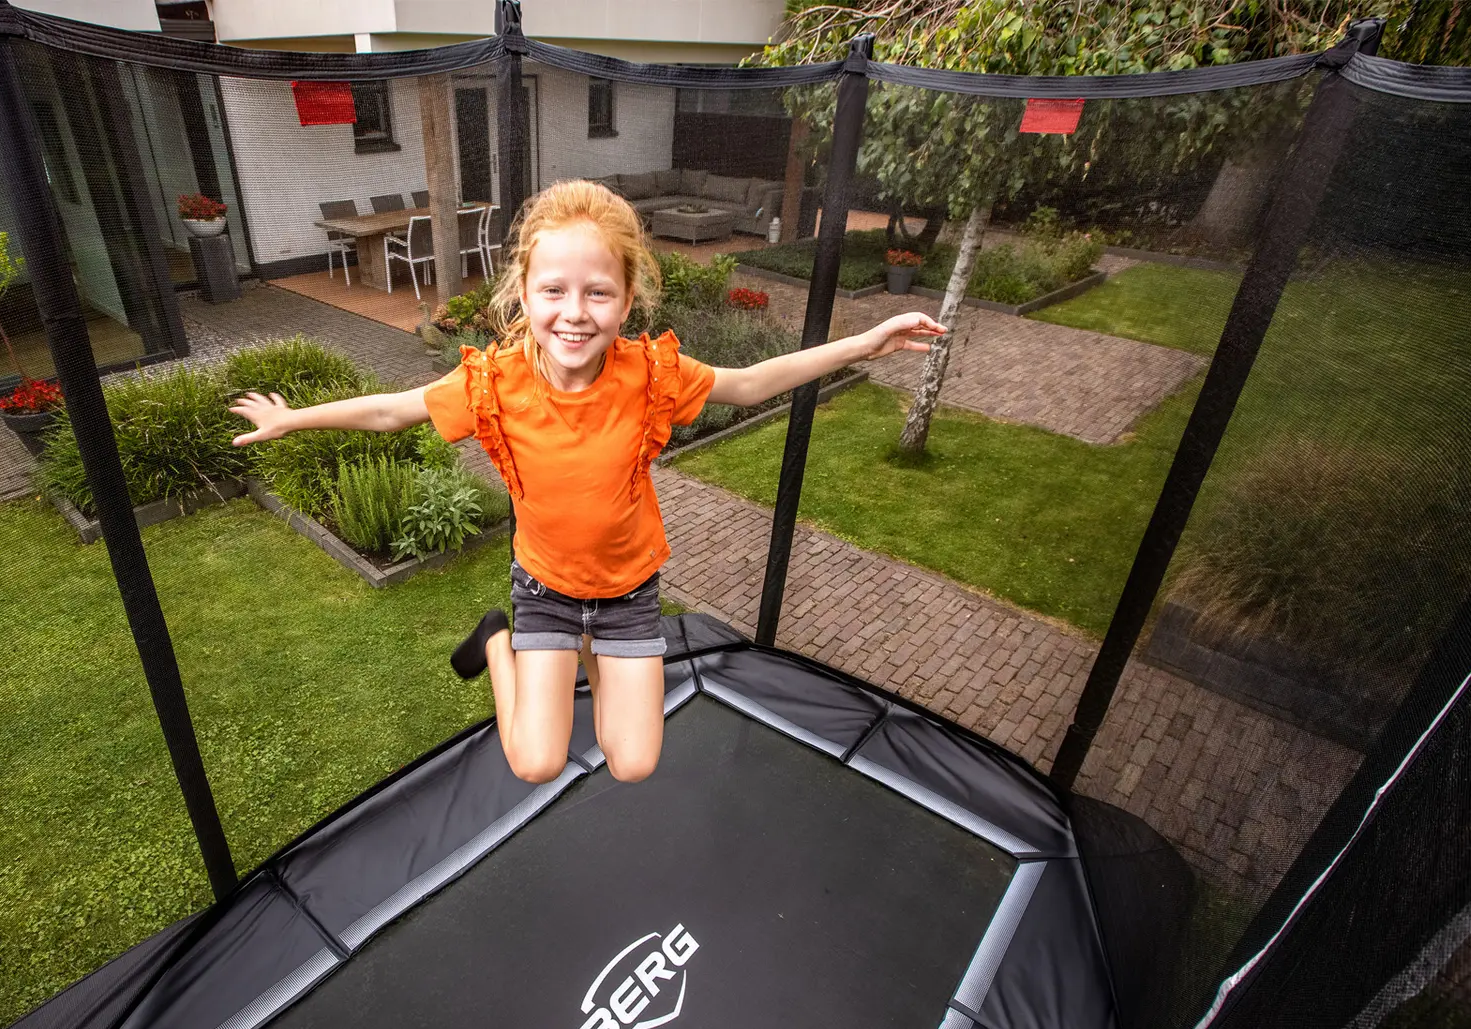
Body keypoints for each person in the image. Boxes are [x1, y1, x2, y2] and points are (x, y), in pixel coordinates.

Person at [230, 180, 944, 786]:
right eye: (554, 291)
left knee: (631, 763)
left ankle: (598, 654)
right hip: (545, 590)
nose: (574, 312)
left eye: (598, 292)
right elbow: (393, 410)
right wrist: (293, 419)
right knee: (536, 761)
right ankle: (498, 644)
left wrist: (863, 343)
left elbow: (751, 382)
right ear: (524, 294)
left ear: (627, 300)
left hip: (628, 594)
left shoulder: (650, 375)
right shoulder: (496, 383)